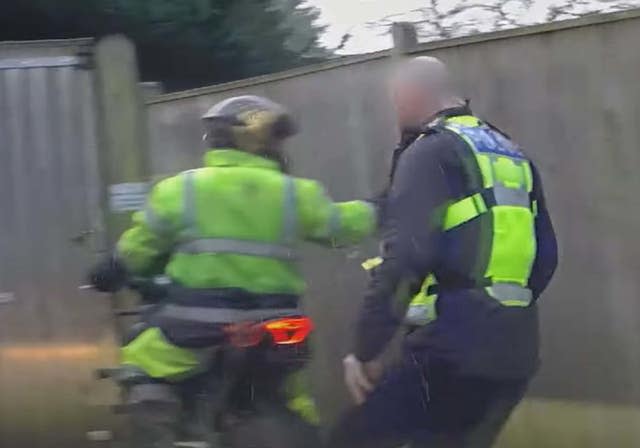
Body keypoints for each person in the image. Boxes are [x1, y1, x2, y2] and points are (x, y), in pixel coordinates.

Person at [89, 95, 377, 448]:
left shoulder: (182, 189)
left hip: (193, 328)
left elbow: (139, 248)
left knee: (140, 359)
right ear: (257, 139)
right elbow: (342, 225)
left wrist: (110, 270)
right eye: (275, 139)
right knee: (291, 391)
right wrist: (381, 206)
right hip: (280, 328)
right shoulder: (295, 193)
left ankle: (166, 430)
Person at [329, 57, 558, 447]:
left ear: (409, 96)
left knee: (353, 438)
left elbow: (406, 259)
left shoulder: (431, 151)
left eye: (395, 102)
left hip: (450, 354)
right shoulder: (510, 153)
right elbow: (547, 257)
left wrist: (365, 347)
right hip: (515, 352)